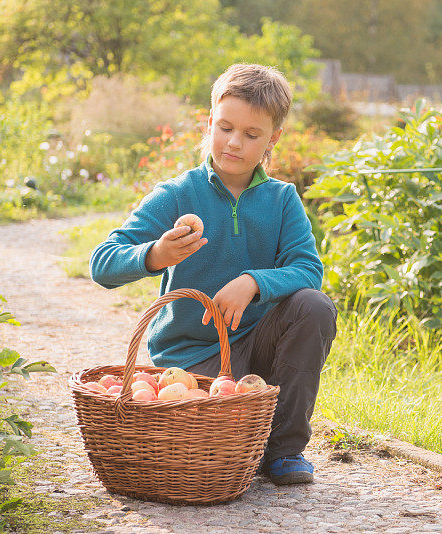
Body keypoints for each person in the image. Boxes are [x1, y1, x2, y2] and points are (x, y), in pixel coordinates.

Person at [89, 63, 337, 485]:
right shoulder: (177, 193)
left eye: (251, 134)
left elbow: (308, 269)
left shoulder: (282, 199)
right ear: (210, 122)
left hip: (259, 348)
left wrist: (254, 282)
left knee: (313, 306)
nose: (234, 143)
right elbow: (103, 262)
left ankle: (284, 450)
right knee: (207, 434)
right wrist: (155, 254)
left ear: (273, 139)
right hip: (193, 358)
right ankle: (245, 446)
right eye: (224, 128)